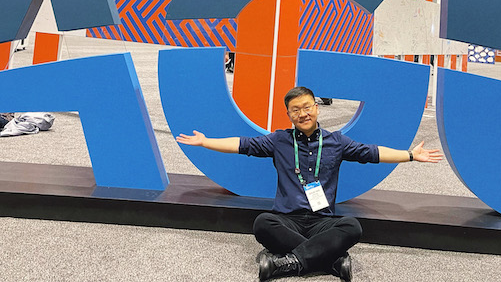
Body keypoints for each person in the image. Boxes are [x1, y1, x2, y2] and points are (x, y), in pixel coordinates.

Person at [176, 86, 443, 281]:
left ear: (316, 107)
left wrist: (410, 155)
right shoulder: (279, 140)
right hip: (286, 218)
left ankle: (289, 263)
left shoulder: (336, 141)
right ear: (289, 114)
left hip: (321, 220)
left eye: (307, 107)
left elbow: (372, 153)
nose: (303, 114)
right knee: (262, 224)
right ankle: (331, 260)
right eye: (296, 110)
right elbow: (242, 145)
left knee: (351, 226)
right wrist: (205, 142)